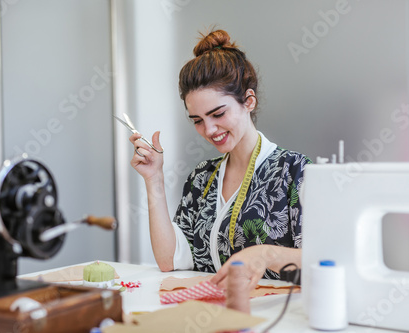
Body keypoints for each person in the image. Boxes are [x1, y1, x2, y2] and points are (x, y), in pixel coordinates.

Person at [128, 29, 311, 291]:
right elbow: (169, 260)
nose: (210, 130)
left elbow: (327, 259)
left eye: (218, 114)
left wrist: (264, 254)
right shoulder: (201, 178)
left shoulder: (295, 171)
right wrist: (153, 178)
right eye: (198, 121)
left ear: (248, 101)